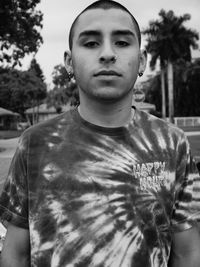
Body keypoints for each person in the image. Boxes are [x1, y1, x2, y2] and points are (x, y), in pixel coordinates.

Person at [0, 0, 200, 266]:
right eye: (91, 43)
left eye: (122, 42)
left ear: (141, 61)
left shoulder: (172, 143)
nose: (107, 53)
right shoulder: (35, 142)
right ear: (69, 62)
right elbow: (16, 253)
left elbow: (187, 253)